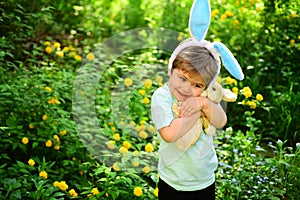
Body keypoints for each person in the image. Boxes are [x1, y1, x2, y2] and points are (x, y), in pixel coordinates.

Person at [151, 39, 227, 199]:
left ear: (206, 86)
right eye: (182, 78)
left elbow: (221, 121)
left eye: (197, 85)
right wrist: (197, 111)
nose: (187, 89)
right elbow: (170, 134)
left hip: (204, 180)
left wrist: (203, 103)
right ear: (171, 71)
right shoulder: (162, 97)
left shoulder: (205, 99)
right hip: (172, 181)